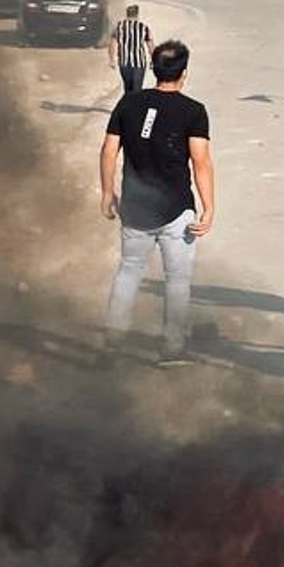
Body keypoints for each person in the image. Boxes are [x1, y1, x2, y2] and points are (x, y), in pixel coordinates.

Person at [100, 39, 213, 365]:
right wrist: (209, 207)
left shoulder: (129, 103)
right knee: (177, 280)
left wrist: (107, 192)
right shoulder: (193, 111)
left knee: (128, 271)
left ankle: (112, 342)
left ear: (153, 69)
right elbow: (201, 161)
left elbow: (109, 150)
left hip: (135, 208)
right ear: (184, 73)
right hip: (176, 211)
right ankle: (172, 348)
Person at [110, 2, 153, 95]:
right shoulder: (143, 27)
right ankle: (134, 103)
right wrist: (153, 60)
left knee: (127, 88)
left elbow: (112, 44)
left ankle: (129, 103)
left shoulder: (119, 27)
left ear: (127, 14)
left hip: (124, 62)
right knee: (137, 89)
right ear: (137, 14)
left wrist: (112, 59)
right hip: (139, 63)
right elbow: (150, 45)